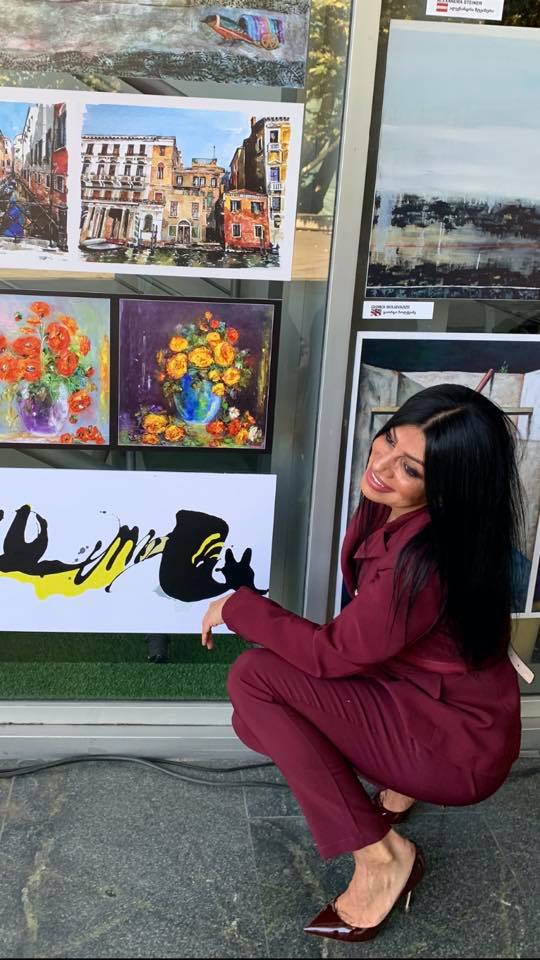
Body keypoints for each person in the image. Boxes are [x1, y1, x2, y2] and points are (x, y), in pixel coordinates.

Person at [201, 384, 525, 943]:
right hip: (442, 706)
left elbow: (332, 653)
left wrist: (239, 607)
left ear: (448, 488)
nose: (382, 466)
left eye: (410, 469)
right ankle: (398, 791)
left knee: (254, 682)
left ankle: (382, 857)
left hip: (455, 747)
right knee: (259, 715)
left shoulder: (422, 562)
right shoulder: (416, 514)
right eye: (389, 440)